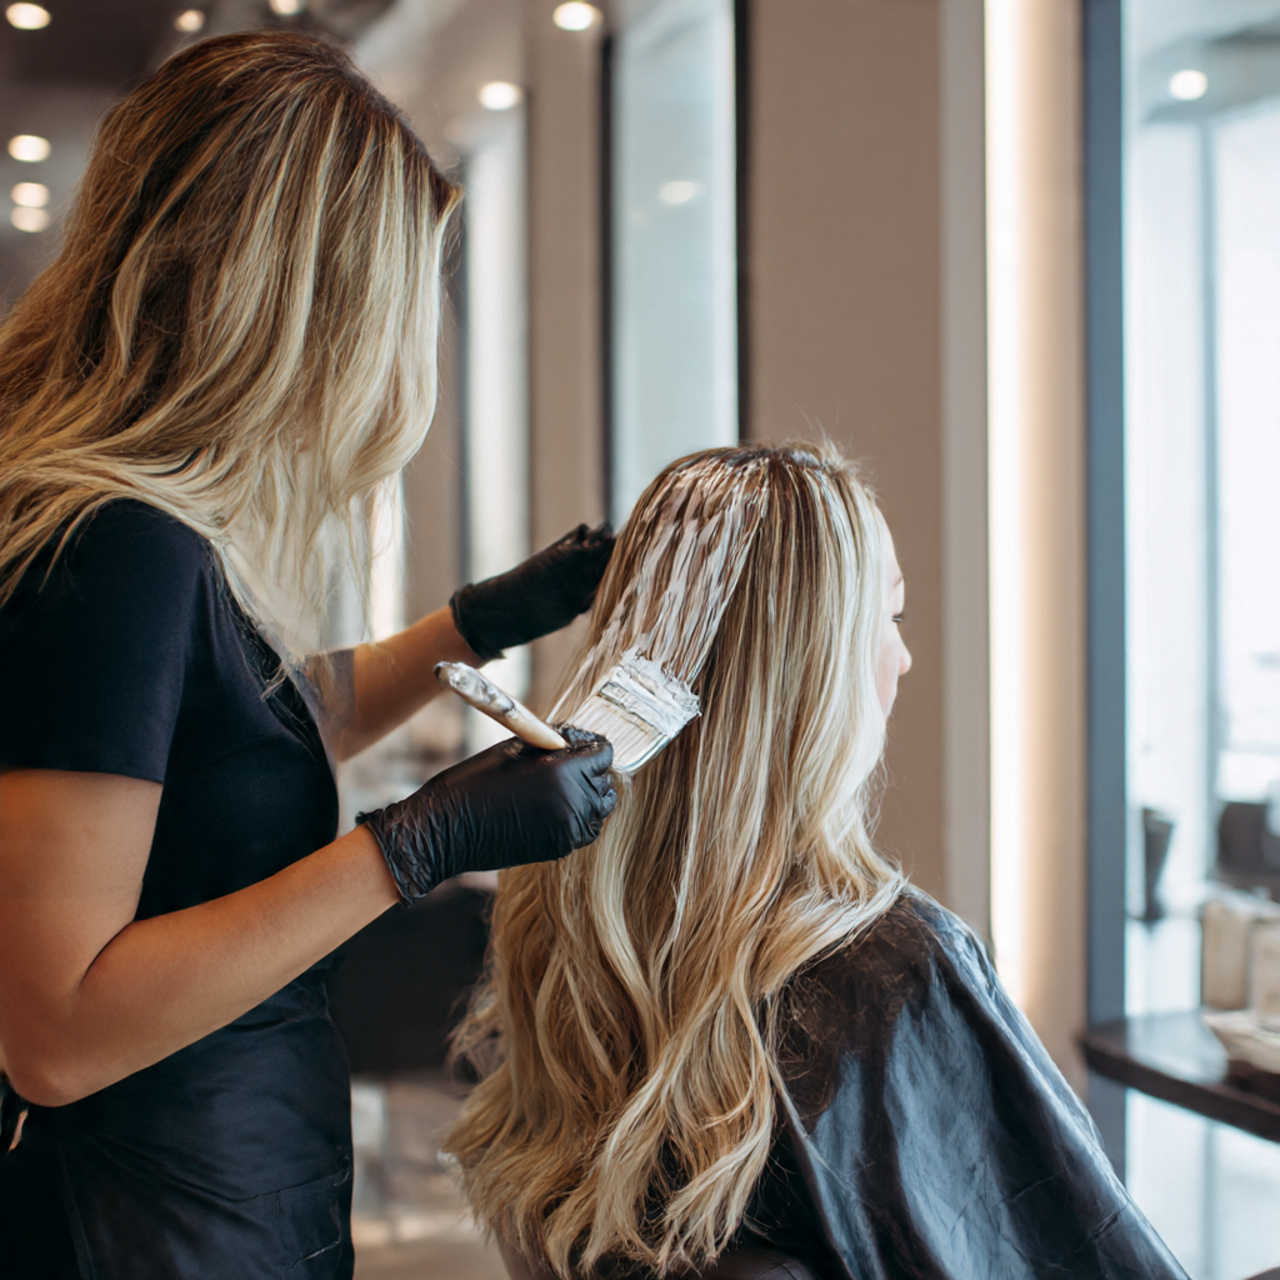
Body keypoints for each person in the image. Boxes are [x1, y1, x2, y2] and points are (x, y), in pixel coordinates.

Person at [0, 31, 616, 1280]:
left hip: (219, 1197)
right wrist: (412, 844)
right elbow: (53, 1030)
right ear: (303, 297)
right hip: (146, 1228)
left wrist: (475, 624)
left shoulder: (147, 535)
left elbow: (234, 731)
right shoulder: (114, 547)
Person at [444, 444, 1187, 1280]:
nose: (903, 659)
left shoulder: (555, 913)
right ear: (819, 666)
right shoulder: (894, 971)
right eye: (891, 621)